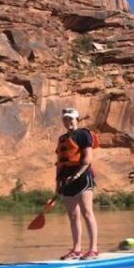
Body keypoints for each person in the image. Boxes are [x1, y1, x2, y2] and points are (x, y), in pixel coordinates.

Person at [55, 107, 99, 259]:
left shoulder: (83, 134)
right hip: (66, 180)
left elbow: (87, 158)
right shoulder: (62, 138)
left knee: (87, 212)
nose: (68, 122)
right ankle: (76, 249)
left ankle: (93, 249)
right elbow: (59, 164)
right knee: (73, 215)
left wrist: (77, 174)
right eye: (65, 119)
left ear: (77, 120)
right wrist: (57, 184)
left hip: (82, 178)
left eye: (71, 119)